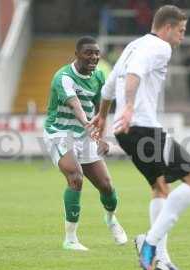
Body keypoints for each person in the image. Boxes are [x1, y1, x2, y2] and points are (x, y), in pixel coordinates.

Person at [91, 5, 190, 270]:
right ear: (166, 28)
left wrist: (102, 117)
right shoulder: (160, 47)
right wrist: (130, 106)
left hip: (127, 130)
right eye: (180, 31)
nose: (182, 38)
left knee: (160, 188)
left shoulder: (134, 45)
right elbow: (133, 75)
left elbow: (109, 86)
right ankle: (150, 243)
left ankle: (163, 260)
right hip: (142, 127)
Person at [43, 36, 128, 251]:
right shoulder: (63, 77)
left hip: (85, 134)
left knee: (107, 187)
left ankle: (111, 219)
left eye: (97, 53)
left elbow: (101, 112)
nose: (94, 57)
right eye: (89, 53)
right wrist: (89, 126)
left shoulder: (99, 77)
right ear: (77, 54)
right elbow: (76, 107)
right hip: (59, 133)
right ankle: (70, 239)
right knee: (75, 177)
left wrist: (102, 138)